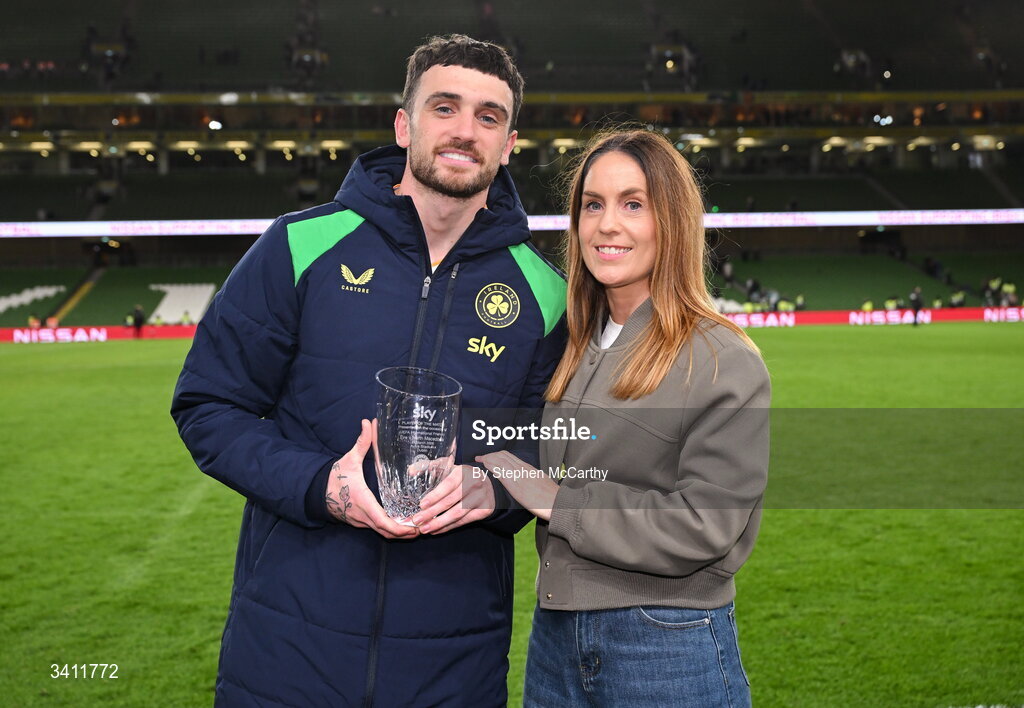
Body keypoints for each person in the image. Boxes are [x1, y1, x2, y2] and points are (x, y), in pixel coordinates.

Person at [171, 35, 567, 706]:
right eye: (445, 107)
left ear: (509, 144)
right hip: (287, 652)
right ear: (404, 124)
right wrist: (320, 485)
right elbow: (208, 405)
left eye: (488, 116)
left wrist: (490, 485)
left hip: (453, 666)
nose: (465, 131)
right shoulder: (302, 244)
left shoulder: (546, 293)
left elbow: (554, 448)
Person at [476, 129, 770, 707]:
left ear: (673, 221)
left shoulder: (723, 359)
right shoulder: (572, 343)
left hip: (665, 647)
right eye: (593, 204)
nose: (607, 225)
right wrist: (484, 476)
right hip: (556, 637)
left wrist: (560, 501)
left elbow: (707, 526)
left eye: (633, 204)